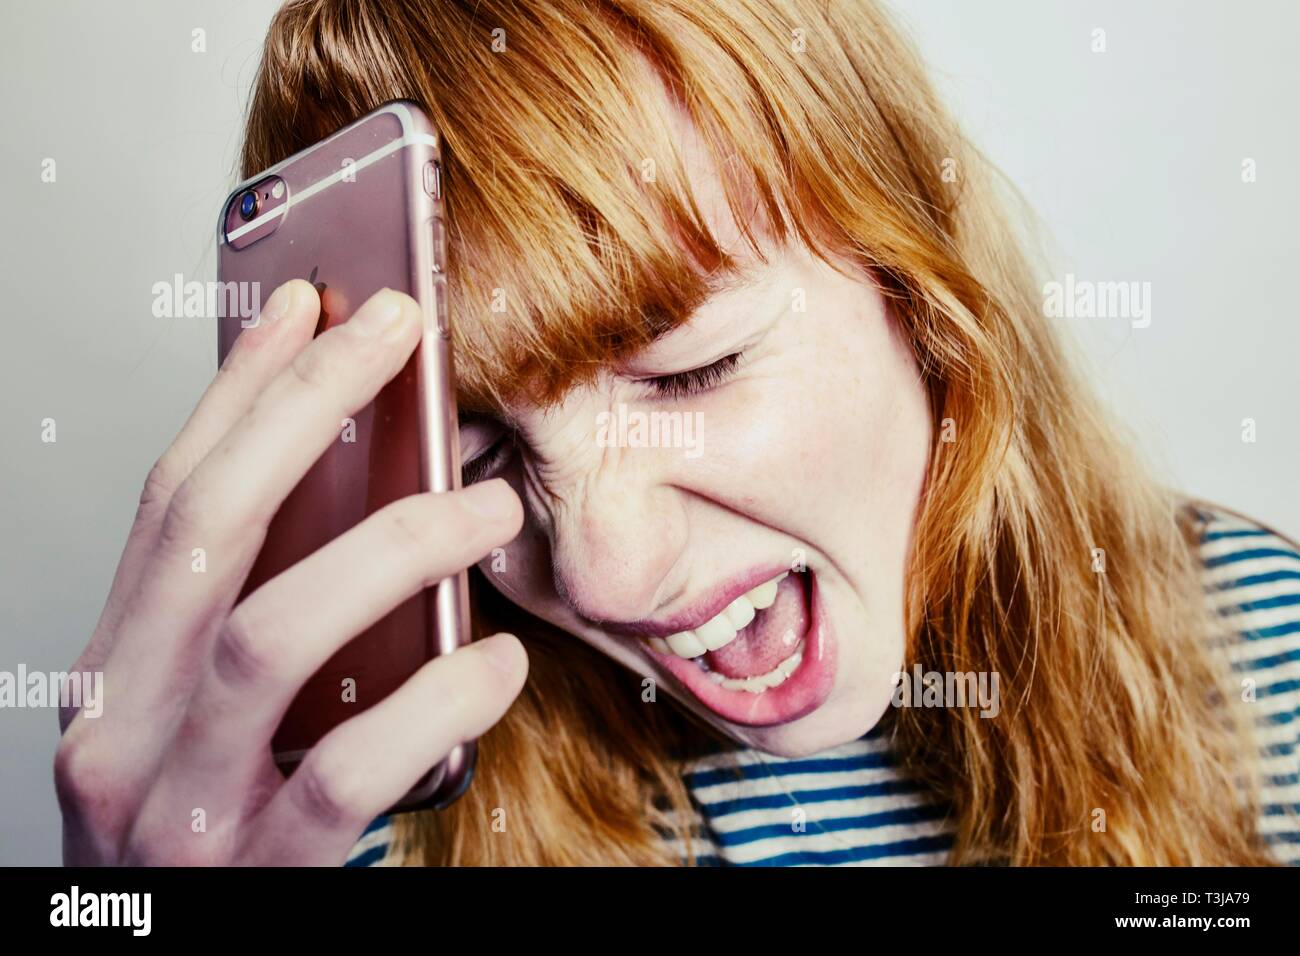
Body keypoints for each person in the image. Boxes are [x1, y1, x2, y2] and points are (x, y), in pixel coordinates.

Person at [57, 0, 1299, 867]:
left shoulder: (1269, 651)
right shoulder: (358, 812)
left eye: (689, 371)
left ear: (917, 288)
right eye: (477, 457)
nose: (599, 575)